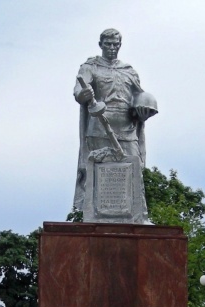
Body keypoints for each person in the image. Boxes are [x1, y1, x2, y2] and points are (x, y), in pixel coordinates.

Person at [72, 28, 157, 214]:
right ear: (100, 45)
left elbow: (138, 98)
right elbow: (79, 90)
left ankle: (136, 216)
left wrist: (143, 112)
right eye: (108, 44)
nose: (112, 48)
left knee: (133, 169)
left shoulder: (129, 71)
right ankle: (95, 214)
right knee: (99, 169)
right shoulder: (90, 67)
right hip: (99, 126)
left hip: (127, 128)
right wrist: (83, 94)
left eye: (115, 44)